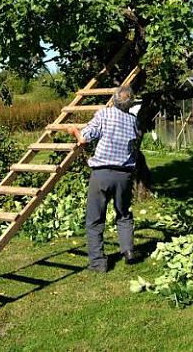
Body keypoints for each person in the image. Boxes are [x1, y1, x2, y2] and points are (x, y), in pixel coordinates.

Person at [68, 86, 141, 272]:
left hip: (101, 173)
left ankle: (98, 263)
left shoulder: (104, 114)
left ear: (114, 99)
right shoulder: (133, 120)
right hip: (124, 175)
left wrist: (74, 130)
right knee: (124, 214)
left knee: (95, 219)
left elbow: (84, 138)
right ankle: (129, 251)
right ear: (130, 103)